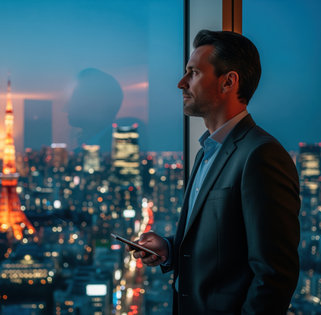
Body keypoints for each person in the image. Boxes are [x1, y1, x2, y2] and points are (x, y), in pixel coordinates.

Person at [128, 30, 300, 314]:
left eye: (193, 73)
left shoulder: (261, 155)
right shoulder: (207, 152)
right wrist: (169, 250)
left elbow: (275, 275)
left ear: (229, 82)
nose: (181, 83)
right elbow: (225, 247)